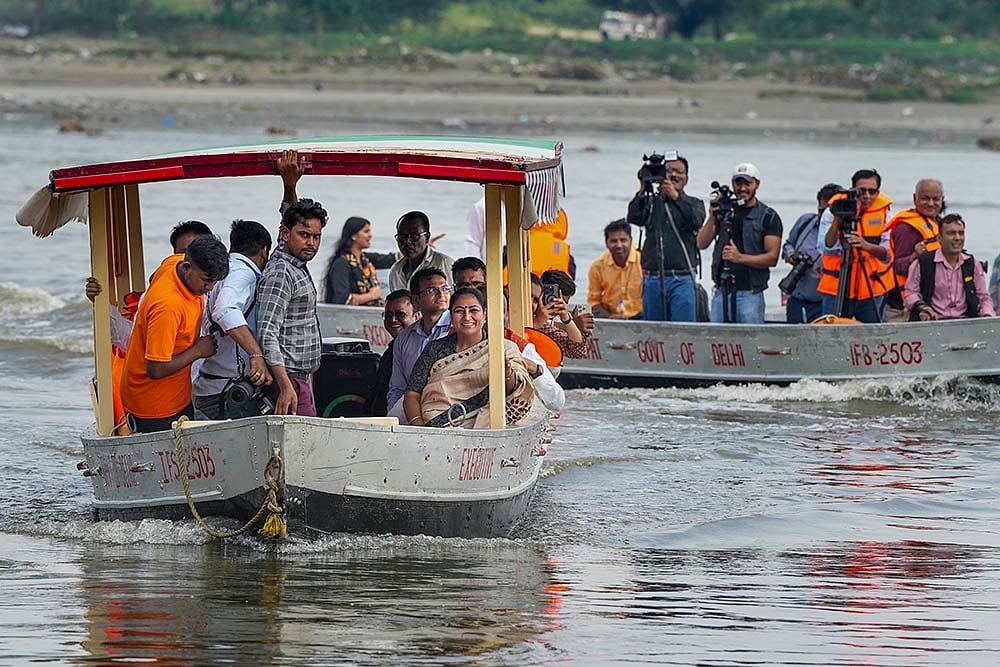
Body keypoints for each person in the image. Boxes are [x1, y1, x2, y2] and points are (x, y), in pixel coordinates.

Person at [120, 235, 230, 433]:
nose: (210, 288)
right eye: (206, 280)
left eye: (214, 282)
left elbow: (154, 276)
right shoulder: (168, 307)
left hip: (177, 394)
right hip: (155, 406)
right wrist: (198, 350)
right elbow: (156, 369)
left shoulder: (173, 263)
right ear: (187, 267)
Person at [403, 287, 535, 429]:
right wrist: (420, 428)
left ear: (484, 315)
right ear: (451, 317)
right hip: (432, 431)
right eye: (459, 311)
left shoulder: (502, 348)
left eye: (473, 310)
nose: (467, 317)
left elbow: (515, 390)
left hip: (482, 431)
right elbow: (412, 394)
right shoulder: (435, 349)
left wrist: (507, 374)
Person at [452, 256, 565, 412]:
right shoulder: (444, 340)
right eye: (463, 310)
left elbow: (557, 401)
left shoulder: (517, 346)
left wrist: (533, 369)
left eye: (478, 310)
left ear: (504, 312)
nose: (470, 317)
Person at [85, 219, 214, 350]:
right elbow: (132, 339)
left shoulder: (224, 286)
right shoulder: (162, 293)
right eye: (182, 254)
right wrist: (100, 302)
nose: (190, 260)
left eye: (197, 252)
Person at [191, 220, 273, 420]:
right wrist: (256, 355)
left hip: (208, 384)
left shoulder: (223, 269)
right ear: (264, 252)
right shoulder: (243, 273)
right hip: (226, 392)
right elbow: (224, 310)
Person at [257, 198, 327, 416]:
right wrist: (285, 386)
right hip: (289, 378)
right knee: (304, 446)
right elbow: (267, 332)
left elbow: (288, 215)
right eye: (304, 235)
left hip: (301, 377)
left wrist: (290, 185)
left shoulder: (295, 263)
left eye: (316, 237)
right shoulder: (282, 272)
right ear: (286, 235)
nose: (311, 243)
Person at [696, 162, 782, 324]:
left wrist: (739, 257)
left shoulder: (768, 216)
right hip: (722, 290)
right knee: (716, 343)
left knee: (749, 343)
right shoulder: (725, 211)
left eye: (747, 183)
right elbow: (701, 243)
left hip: (750, 294)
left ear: (757, 184)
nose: (742, 188)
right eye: (738, 183)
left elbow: (772, 258)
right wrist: (712, 216)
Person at [627, 154, 705, 321]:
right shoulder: (651, 202)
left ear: (686, 178)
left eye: (679, 172)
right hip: (652, 277)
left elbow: (696, 221)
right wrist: (642, 189)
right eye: (669, 171)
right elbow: (634, 218)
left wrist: (675, 197)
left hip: (682, 277)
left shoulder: (694, 203)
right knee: (653, 333)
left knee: (684, 331)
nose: (674, 175)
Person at [817, 169, 893, 323]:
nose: (866, 196)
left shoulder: (885, 213)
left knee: (873, 337)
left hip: (870, 288)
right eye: (861, 191)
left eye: (872, 191)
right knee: (831, 333)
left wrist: (866, 246)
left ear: (878, 192)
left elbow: (888, 255)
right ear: (852, 190)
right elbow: (825, 247)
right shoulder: (834, 210)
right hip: (836, 288)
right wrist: (837, 221)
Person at [386, 267, 454, 419]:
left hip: (449, 413)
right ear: (416, 300)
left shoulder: (457, 329)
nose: (441, 294)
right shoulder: (404, 339)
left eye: (445, 288)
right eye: (432, 290)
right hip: (410, 415)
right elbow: (397, 388)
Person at [903, 214, 994, 320]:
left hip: (966, 325)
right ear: (939, 238)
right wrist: (923, 308)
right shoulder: (922, 263)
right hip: (931, 324)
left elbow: (983, 297)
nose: (957, 238)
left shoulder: (973, 264)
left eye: (961, 233)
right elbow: (910, 295)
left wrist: (987, 315)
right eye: (951, 233)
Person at [884, 179, 945, 321]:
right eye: (925, 198)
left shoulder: (940, 223)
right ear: (914, 198)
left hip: (932, 299)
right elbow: (897, 266)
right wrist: (914, 256)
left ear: (942, 200)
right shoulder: (907, 228)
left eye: (935, 199)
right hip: (903, 305)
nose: (930, 203)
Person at [781, 183, 843, 324]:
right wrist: (791, 255)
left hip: (824, 301)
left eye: (829, 212)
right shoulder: (806, 222)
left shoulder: (843, 234)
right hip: (797, 297)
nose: (824, 216)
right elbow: (788, 244)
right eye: (821, 211)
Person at [322, 216, 396, 306]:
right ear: (353, 236)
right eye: (366, 231)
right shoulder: (341, 264)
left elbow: (391, 259)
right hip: (351, 317)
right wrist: (372, 295)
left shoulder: (365, 260)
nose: (370, 235)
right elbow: (342, 299)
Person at [368, 289, 417, 417]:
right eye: (388, 315)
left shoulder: (422, 350)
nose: (393, 320)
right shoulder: (390, 352)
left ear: (416, 316)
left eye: (400, 314)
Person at [588, 218, 643, 319]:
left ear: (631, 240)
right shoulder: (597, 266)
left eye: (623, 240)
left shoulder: (644, 261)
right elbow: (594, 301)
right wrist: (610, 318)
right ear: (606, 243)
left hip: (640, 316)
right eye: (614, 241)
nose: (619, 245)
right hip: (609, 315)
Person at [388, 211, 453, 292]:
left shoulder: (443, 263)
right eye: (402, 236)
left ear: (427, 237)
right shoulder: (396, 270)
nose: (407, 241)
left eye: (414, 236)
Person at [531, 273, 587, 359]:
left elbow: (578, 352)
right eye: (550, 298)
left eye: (561, 303)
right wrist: (536, 324)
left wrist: (567, 318)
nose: (554, 305)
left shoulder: (547, 325)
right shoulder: (527, 316)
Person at [542, 269, 595, 338]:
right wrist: (573, 326)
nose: (562, 306)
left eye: (565, 303)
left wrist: (570, 322)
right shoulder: (532, 315)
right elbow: (542, 326)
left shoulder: (558, 319)